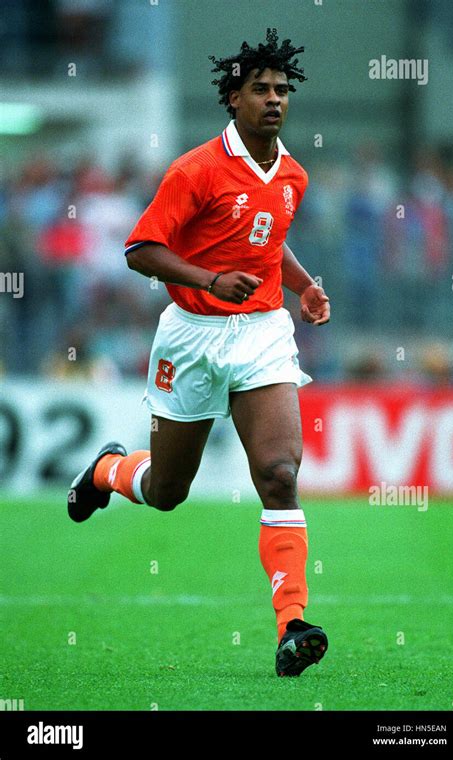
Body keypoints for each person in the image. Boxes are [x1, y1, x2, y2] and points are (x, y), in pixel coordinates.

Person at [68, 28, 330, 677]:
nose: (274, 100)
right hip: (191, 334)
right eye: (261, 90)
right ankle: (108, 470)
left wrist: (303, 287)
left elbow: (266, 243)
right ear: (233, 98)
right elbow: (139, 250)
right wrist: (209, 280)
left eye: (282, 90)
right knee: (166, 490)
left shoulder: (292, 172)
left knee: (278, 473)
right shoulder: (195, 170)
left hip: (263, 332)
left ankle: (292, 624)